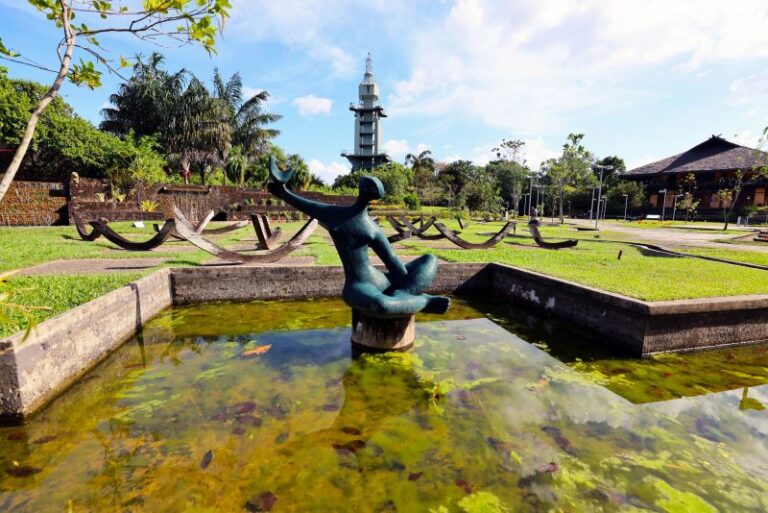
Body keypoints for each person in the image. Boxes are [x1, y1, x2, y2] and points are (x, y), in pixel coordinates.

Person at [268, 156, 449, 318]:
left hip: (384, 281)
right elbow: (305, 204)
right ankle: (423, 301)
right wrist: (282, 191)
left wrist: (404, 282)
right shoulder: (336, 215)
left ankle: (403, 295)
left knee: (430, 259)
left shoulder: (372, 228)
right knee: (382, 305)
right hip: (359, 286)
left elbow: (391, 260)